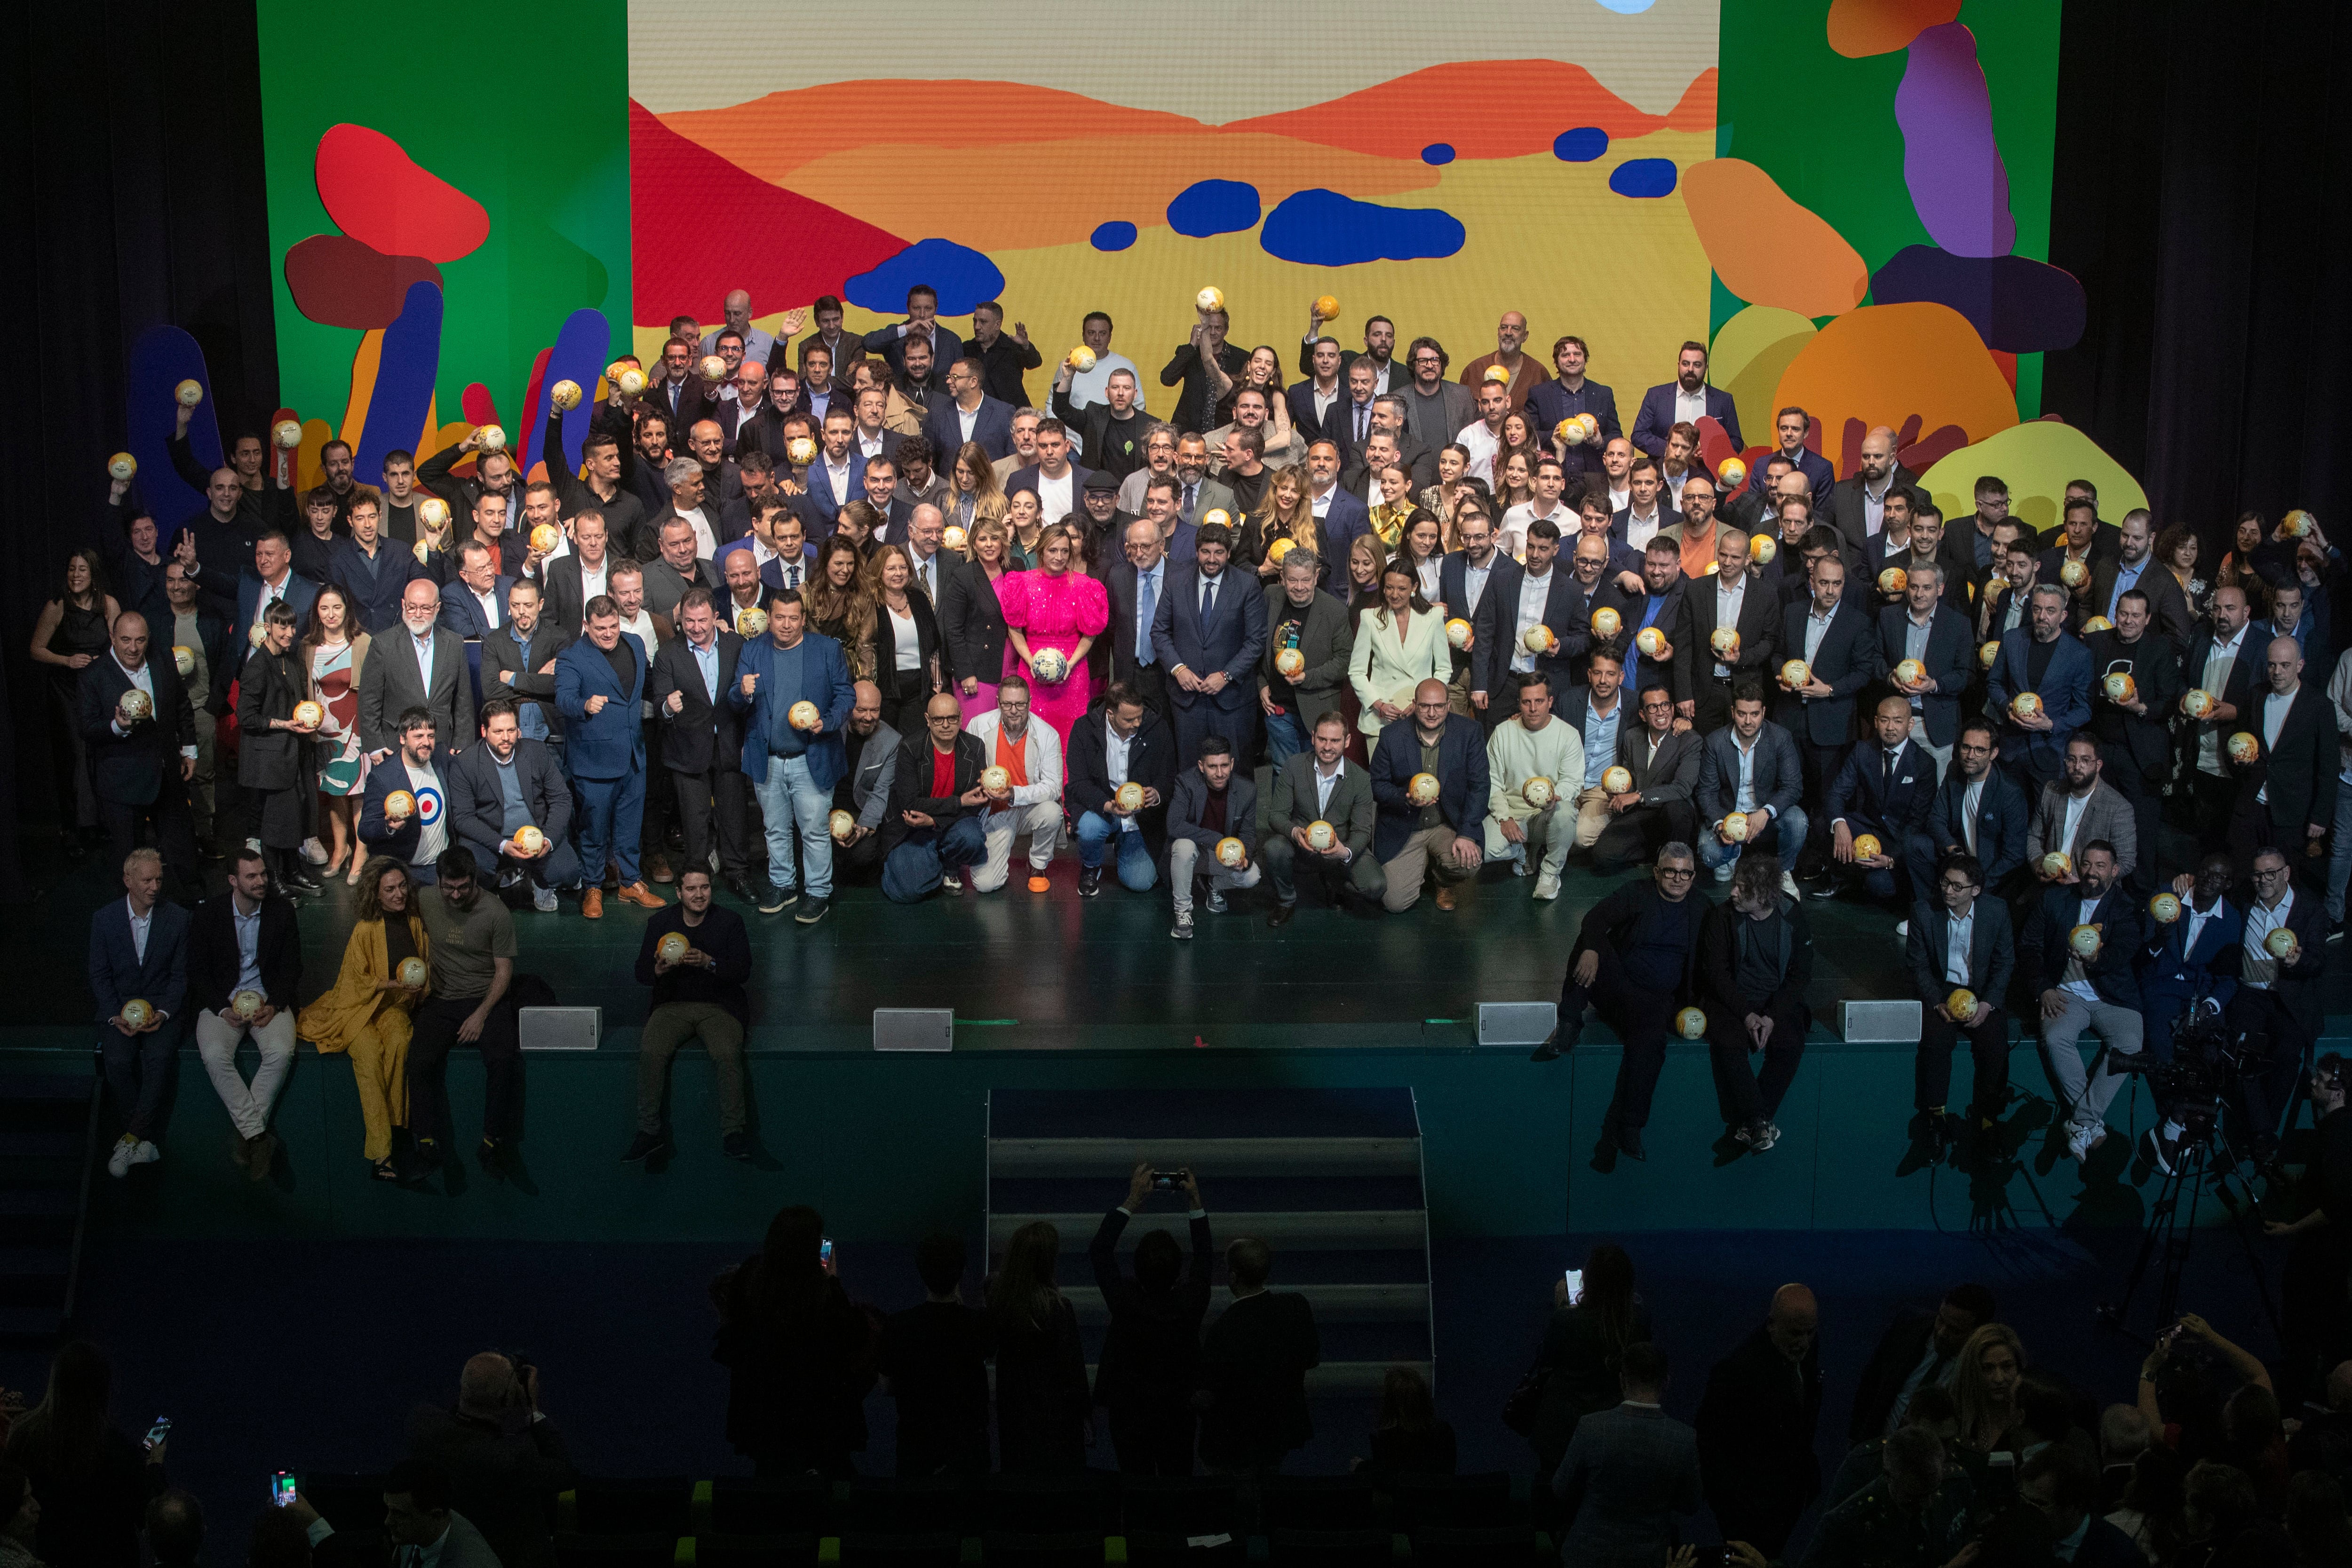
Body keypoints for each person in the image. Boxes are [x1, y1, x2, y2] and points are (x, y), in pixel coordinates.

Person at [712, 1206, 874, 1478]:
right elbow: (850, 1342)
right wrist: (832, 1281)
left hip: (767, 1417)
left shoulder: (754, 1278)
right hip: (821, 1419)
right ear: (813, 1248)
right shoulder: (826, 1293)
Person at [298, 855, 430, 1180]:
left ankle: (398, 1132)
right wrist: (391, 983)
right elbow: (354, 981)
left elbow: (426, 966)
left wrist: (413, 990)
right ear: (376, 893)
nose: (398, 894)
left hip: (393, 1008)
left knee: (400, 1040)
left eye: (402, 887)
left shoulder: (415, 922)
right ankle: (383, 1155)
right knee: (370, 1057)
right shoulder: (365, 929)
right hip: (359, 1008)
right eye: (390, 890)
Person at [732, 591, 856, 922]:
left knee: (814, 830)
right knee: (774, 829)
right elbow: (735, 698)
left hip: (811, 757)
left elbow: (847, 694)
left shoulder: (827, 649)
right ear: (768, 618)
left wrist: (827, 723)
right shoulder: (752, 649)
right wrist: (742, 692)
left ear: (803, 619)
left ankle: (818, 892)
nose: (786, 625)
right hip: (768, 759)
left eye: (793, 618)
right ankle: (783, 885)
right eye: (779, 617)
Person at [2021, 839, 2145, 1164]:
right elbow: (2030, 947)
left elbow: (2124, 952)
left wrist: (2094, 958)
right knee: (2056, 1036)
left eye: (2100, 866)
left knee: (2130, 1043)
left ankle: (2082, 1123)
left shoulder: (2127, 907)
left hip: (2112, 997)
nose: (2092, 873)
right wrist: (2044, 988)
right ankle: (2091, 1125)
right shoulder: (2055, 899)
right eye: (2087, 865)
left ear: (2115, 871)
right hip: (2065, 993)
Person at [399, 847, 520, 1181]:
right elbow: (389, 898)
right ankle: (426, 1144)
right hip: (442, 998)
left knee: (502, 1059)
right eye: (448, 888)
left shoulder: (496, 913)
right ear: (438, 881)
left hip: (486, 998)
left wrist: (481, 1014)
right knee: (419, 1061)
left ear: (474, 881)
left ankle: (492, 1142)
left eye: (463, 888)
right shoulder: (426, 898)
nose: (455, 895)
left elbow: (503, 972)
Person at [1089, 1164, 1213, 1475]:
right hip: (1177, 1412)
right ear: (1177, 1272)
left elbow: (1100, 1249)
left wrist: (1133, 1200)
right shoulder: (1189, 1304)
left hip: (1128, 1413)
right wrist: (1195, 1200)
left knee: (1135, 1482)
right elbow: (1206, 1256)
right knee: (1177, 1481)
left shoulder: (1125, 1303)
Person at [626, 866, 754, 1163]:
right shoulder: (661, 922)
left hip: (719, 1007)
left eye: (705, 888)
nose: (699, 895)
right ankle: (649, 1133)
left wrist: (710, 962)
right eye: (692, 889)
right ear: (679, 893)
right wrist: (657, 970)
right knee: (652, 1052)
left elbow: (743, 971)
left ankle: (734, 1133)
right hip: (672, 1006)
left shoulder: (730, 922)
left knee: (726, 1053)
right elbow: (641, 972)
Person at [188, 847, 301, 1179]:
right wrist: (222, 1009)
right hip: (223, 1002)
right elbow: (197, 971)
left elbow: (292, 967)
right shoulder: (209, 914)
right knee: (213, 1053)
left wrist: (275, 1005)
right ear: (233, 881)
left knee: (281, 1051)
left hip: (268, 999)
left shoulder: (281, 912)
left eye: (263, 874)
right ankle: (258, 1136)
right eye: (252, 876)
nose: (262, 881)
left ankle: (246, 1134)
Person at [405, 1352, 576, 1568]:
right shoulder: (511, 1459)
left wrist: (481, 1386)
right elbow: (564, 1473)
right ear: (507, 1399)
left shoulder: (423, 1427)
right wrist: (532, 1409)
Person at [1, 1341, 163, 1568]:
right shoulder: (118, 1449)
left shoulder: (24, 1435)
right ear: (104, 1388)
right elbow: (149, 1516)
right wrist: (155, 1464)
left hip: (47, 1554)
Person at [1695, 1283, 1823, 1559]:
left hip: (1781, 1504)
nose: (1803, 1342)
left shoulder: (1800, 1353)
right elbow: (1712, 1449)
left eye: (1809, 1333)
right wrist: (1736, 1518)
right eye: (1795, 1333)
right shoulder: (1736, 1374)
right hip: (1751, 1512)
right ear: (1772, 1324)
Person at [1696, 854, 1814, 1151]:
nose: (1733, 892)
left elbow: (1800, 975)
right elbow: (1717, 974)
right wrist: (1748, 1015)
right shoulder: (1722, 917)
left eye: (1742, 889)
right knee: (1729, 1043)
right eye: (1735, 886)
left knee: (1791, 1044)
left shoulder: (1792, 914)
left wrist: (1772, 1016)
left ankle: (1751, 1123)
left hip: (1776, 1001)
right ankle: (1760, 1121)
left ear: (1763, 895)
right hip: (1733, 999)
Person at [1905, 852, 2017, 1162]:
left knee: (1996, 1048)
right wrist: (1935, 1002)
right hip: (1943, 991)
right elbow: (1918, 964)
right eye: (1945, 883)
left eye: (1957, 886)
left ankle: (1988, 1124)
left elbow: (2005, 962)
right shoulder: (1924, 911)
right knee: (1936, 1044)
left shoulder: (1996, 911)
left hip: (1981, 992)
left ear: (1976, 891)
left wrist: (1989, 1004)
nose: (1948, 891)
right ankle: (1935, 1121)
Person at [1551, 1340, 1701, 1568]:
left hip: (1587, 1555)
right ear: (1666, 1382)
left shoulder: (1591, 1427)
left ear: (1622, 1380)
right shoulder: (1683, 1439)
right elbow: (1690, 1505)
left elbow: (1561, 1488)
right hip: (1651, 1558)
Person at [79, 611, 201, 887]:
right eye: (125, 640)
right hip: (123, 785)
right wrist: (118, 726)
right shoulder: (94, 677)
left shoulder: (162, 661)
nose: (133, 648)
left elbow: (182, 706)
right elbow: (87, 728)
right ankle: (135, 922)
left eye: (140, 640)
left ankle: (192, 906)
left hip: (168, 776)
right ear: (112, 637)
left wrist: (190, 750)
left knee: (183, 853)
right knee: (129, 862)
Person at [2225, 845, 2328, 1161]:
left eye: (2270, 873)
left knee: (2286, 1058)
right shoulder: (2243, 902)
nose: (2263, 880)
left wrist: (2298, 961)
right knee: (2242, 1058)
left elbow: (2319, 962)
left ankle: (2261, 1132)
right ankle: (2264, 1133)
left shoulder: (2310, 909)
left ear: (2285, 873)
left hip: (2289, 999)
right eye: (2257, 874)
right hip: (2251, 996)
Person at [87, 849, 186, 1179]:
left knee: (159, 1061)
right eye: (147, 880)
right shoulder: (105, 919)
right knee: (117, 1061)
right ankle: (144, 1139)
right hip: (118, 1010)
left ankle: (131, 1138)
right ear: (128, 881)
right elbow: (99, 975)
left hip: (161, 1010)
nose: (155, 886)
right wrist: (116, 1015)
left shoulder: (178, 918)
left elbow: (180, 976)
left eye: (159, 879)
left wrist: (163, 1012)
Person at [1526, 1243, 1653, 1480]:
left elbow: (1548, 1359)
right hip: (1613, 1432)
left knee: (1556, 1494)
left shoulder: (1567, 1321)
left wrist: (1563, 1306)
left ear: (1589, 1282)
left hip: (1561, 1431)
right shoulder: (1636, 1325)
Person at [1197, 1236, 1320, 1476]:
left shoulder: (1222, 1329)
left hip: (1232, 1442)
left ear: (1233, 1276)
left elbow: (1207, 1394)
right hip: (1277, 1436)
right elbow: (1311, 1359)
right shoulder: (1296, 1307)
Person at [877, 1232, 993, 1479]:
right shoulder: (978, 1325)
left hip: (917, 1450)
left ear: (921, 1272)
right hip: (968, 1450)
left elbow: (886, 1386)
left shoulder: (899, 1326)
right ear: (961, 1272)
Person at [447, 698, 580, 912]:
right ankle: (496, 884)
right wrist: (502, 845)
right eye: (498, 732)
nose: (506, 738)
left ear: (518, 730)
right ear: (484, 731)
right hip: (493, 839)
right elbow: (463, 818)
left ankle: (540, 882)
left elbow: (562, 799)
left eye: (511, 730)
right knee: (473, 867)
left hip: (536, 837)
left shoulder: (536, 752)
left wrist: (547, 839)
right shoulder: (466, 763)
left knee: (568, 872)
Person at [1154, 521, 1267, 766]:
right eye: (1206, 552)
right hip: (1187, 700)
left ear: (1229, 553)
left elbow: (1256, 641)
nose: (1212, 559)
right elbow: (1160, 633)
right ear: (1197, 552)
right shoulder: (1175, 581)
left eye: (1219, 553)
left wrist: (1226, 675)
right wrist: (1178, 669)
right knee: (1189, 771)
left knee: (1235, 773)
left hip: (1232, 700)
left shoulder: (1247, 585)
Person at [1371, 678, 1487, 912]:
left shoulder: (1469, 732)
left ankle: (1443, 881)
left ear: (1449, 706)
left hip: (1445, 825)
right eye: (1425, 706)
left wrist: (1466, 834)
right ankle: (1421, 863)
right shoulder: (1391, 736)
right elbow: (1378, 785)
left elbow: (1480, 786)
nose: (1432, 713)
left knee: (1469, 863)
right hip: (1406, 827)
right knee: (1395, 903)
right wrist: (1406, 798)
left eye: (1439, 706)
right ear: (1415, 705)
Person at [31, 549, 116, 861]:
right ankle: (73, 828)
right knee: (75, 756)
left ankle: (99, 824)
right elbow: (36, 649)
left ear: (93, 574)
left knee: (99, 754)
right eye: (71, 569)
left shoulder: (108, 604)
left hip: (98, 689)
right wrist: (68, 660)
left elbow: (121, 645)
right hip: (66, 690)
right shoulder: (57, 605)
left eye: (82, 570)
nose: (75, 575)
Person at [1261, 710, 1384, 921]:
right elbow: (1276, 816)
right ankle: (1286, 899)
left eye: (1335, 740)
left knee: (1376, 886)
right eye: (1322, 739)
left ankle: (1336, 884)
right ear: (1313, 737)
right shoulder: (1294, 766)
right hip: (1301, 847)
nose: (1327, 747)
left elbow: (1362, 831)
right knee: (1273, 849)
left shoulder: (1361, 779)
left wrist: (1344, 852)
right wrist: (1295, 832)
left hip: (1340, 846)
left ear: (1347, 741)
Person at [988, 1220, 1090, 1474]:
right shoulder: (1059, 1308)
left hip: (1016, 1418)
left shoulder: (1001, 1307)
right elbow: (1073, 1369)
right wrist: (1085, 1414)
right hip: (1058, 1421)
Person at [2231, 636, 2337, 877]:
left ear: (2300, 666)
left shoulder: (2319, 706)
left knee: (2283, 881)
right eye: (2272, 665)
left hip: (2291, 813)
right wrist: (2240, 761)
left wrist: (2320, 817)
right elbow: (2242, 736)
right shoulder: (2257, 695)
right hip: (2252, 805)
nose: (2277, 672)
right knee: (2243, 873)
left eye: (2285, 665)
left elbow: (2329, 767)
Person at [1799, 1424, 1973, 1568]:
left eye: (1934, 1490)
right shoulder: (1845, 1526)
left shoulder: (1954, 1486)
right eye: (1914, 1498)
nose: (1928, 1504)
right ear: (1888, 1476)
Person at [1820, 694, 1938, 905]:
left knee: (1880, 886)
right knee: (1825, 823)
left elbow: (1917, 823)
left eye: (1898, 721)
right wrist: (1839, 825)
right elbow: (1836, 794)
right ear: (1876, 722)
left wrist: (1892, 860)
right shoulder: (1862, 752)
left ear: (1910, 724)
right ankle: (1843, 877)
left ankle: (1880, 881)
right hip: (1868, 828)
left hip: (1899, 839)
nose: (1890, 727)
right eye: (1884, 720)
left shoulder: (1924, 763)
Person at [237, 600, 320, 896]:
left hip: (292, 752)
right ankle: (274, 878)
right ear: (268, 627)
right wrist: (284, 724)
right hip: (268, 757)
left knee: (294, 816)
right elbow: (245, 717)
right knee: (275, 823)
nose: (288, 632)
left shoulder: (291, 660)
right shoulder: (258, 665)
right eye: (282, 626)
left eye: (292, 626)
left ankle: (293, 871)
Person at [1848, 1284, 1999, 1445]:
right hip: (1878, 1448)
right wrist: (1856, 1439)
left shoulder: (1984, 1366)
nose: (1941, 1333)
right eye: (1940, 1320)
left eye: (1955, 1330)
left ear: (1977, 1333)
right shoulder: (1910, 1327)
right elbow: (1872, 1380)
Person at [1695, 683, 1807, 892]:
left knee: (1798, 820)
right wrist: (1721, 825)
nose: (1748, 721)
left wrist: (1766, 812)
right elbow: (1706, 792)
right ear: (1733, 712)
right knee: (1710, 855)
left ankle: (1782, 871)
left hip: (1764, 815)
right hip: (1728, 813)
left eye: (1755, 714)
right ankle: (1730, 856)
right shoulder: (1715, 742)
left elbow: (1793, 787)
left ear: (1764, 712)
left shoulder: (1780, 738)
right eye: (1742, 714)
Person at [879, 693, 991, 901]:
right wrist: (959, 802)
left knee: (972, 839)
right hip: (914, 829)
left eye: (952, 718)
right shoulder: (910, 748)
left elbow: (977, 803)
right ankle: (933, 861)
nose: (946, 725)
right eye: (938, 719)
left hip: (952, 824)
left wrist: (934, 820)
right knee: (907, 892)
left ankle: (949, 862)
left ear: (961, 717)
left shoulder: (975, 747)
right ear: (928, 720)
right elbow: (910, 804)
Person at [1988, 582, 2095, 798]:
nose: (2042, 616)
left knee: (2046, 820)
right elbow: (1994, 684)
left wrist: (2052, 725)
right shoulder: (2012, 639)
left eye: (2050, 611)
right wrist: (2006, 707)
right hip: (2011, 748)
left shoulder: (2079, 654)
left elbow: (2084, 709)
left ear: (2063, 615)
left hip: (2049, 753)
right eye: (2037, 609)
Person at [1069, 684, 1176, 897]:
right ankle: (1091, 866)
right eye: (1129, 720)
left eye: (1140, 716)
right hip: (1103, 807)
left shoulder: (1157, 728)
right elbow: (1078, 783)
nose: (1137, 723)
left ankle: (1124, 845)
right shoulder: (1083, 729)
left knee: (1141, 882)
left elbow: (1169, 775)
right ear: (1110, 714)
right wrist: (1108, 806)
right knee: (1089, 829)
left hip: (1140, 817)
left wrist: (1157, 794)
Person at [357, 578, 474, 761]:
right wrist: (374, 745)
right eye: (412, 607)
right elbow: (369, 700)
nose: (418, 614)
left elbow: (463, 699)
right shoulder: (383, 644)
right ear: (403, 605)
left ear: (438, 608)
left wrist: (463, 742)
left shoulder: (454, 643)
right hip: (396, 746)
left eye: (426, 608)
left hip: (442, 745)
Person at [1488, 672, 1582, 899]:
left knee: (1566, 813)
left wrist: (1555, 798)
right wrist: (1504, 818)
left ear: (1550, 701)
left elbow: (1573, 781)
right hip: (1513, 813)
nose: (1533, 708)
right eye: (1526, 702)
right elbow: (1492, 781)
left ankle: (1550, 873)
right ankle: (1522, 854)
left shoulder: (1568, 735)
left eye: (1539, 701)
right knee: (1488, 849)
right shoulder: (1503, 733)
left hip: (1547, 813)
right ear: (1519, 703)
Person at [1259, 550, 1353, 769]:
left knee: (1316, 772)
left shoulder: (1335, 611)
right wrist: (1262, 684)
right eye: (1292, 580)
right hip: (1278, 708)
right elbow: (1257, 646)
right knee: (1282, 770)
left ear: (1316, 576)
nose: (1299, 587)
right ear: (1282, 577)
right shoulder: (1271, 596)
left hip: (1317, 709)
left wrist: (1307, 677)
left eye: (1305, 580)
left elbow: (1344, 661)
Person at [1166, 735, 1261, 939]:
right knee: (1182, 847)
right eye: (1212, 767)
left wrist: (1244, 860)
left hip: (1224, 856)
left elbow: (1248, 834)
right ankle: (1183, 912)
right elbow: (1174, 826)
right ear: (1201, 766)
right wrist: (1215, 839)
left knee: (1252, 876)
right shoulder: (1186, 783)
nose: (1220, 773)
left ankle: (1213, 884)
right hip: (1195, 853)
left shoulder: (1247, 790)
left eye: (1225, 765)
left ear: (1232, 763)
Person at [1351, 563, 1450, 743]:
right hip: (1380, 718)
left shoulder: (1433, 617)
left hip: (1421, 717)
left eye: (1402, 589)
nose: (1394, 595)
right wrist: (1378, 705)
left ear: (1414, 588)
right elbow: (1356, 672)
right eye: (1389, 588)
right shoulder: (1370, 618)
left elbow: (1443, 669)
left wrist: (1425, 702)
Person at [2019, 1443, 2146, 1568]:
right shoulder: (2019, 1540)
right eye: (2024, 1499)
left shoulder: (2120, 1556)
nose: (2027, 1510)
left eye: (2039, 1504)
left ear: (2075, 1506)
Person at [377, 1460, 500, 1568]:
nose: (388, 1521)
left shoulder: (473, 1563)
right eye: (389, 1509)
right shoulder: (415, 1532)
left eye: (399, 1514)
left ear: (436, 1516)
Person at [1632, 341, 1743, 458]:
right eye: (1686, 364)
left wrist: (1710, 452)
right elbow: (1639, 435)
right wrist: (1672, 449)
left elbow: (1736, 442)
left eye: (1697, 365)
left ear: (1706, 368)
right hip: (1662, 471)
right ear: (1679, 365)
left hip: (1706, 473)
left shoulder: (1723, 400)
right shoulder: (1656, 396)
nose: (1690, 369)